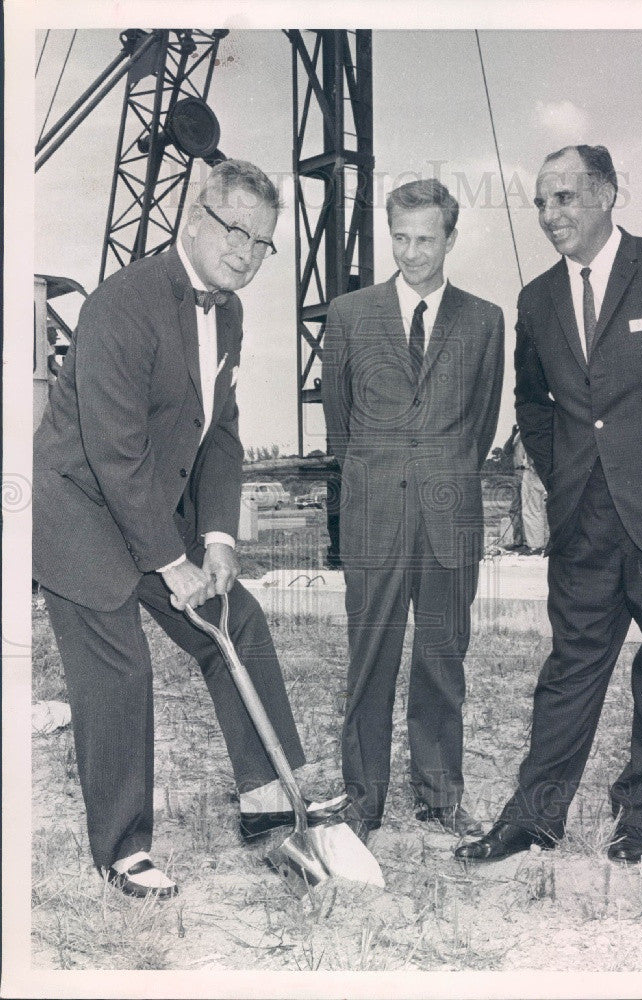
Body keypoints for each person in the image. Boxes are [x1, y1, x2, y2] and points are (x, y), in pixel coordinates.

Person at [33, 159, 342, 900]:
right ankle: (122, 849)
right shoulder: (122, 304)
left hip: (143, 506)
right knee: (121, 670)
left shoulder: (228, 312)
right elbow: (113, 450)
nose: (245, 251)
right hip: (77, 508)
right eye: (234, 229)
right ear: (194, 217)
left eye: (261, 242)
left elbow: (221, 434)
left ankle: (269, 802)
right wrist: (170, 560)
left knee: (237, 620)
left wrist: (218, 540)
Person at [456, 145, 642, 867]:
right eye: (542, 201)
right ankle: (533, 817)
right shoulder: (537, 300)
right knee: (569, 672)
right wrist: (559, 475)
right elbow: (532, 401)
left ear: (609, 194)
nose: (551, 213)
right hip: (583, 522)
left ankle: (637, 817)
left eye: (565, 197)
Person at [322, 179, 505, 842]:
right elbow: (340, 430)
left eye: (426, 239)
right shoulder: (348, 316)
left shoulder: (484, 320)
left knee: (439, 661)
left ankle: (439, 797)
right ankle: (360, 803)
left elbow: (479, 426)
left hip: (447, 518)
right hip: (373, 519)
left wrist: (441, 476)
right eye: (399, 237)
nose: (412, 252)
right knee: (367, 662)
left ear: (450, 238)